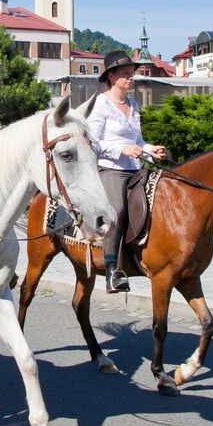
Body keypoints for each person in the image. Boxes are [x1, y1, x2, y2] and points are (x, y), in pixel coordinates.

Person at [88, 50, 169, 293]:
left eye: (131, 73)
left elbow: (139, 142)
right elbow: (92, 142)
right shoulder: (100, 104)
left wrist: (151, 150)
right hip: (109, 169)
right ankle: (112, 270)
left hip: (135, 168)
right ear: (111, 76)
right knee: (118, 209)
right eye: (125, 74)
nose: (130, 78)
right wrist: (121, 150)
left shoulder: (133, 106)